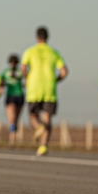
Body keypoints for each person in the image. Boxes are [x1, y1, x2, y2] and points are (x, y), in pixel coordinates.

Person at [21, 27, 67, 156]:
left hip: (34, 87)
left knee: (33, 116)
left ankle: (38, 127)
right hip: (49, 88)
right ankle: (43, 146)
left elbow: (23, 68)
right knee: (47, 118)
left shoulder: (29, 51)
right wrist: (56, 80)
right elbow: (64, 72)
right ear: (47, 37)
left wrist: (27, 78)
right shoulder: (54, 52)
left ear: (37, 37)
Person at [1, 54, 25, 143]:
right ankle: (11, 138)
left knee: (16, 119)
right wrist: (1, 87)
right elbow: (1, 82)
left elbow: (27, 79)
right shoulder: (6, 72)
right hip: (10, 96)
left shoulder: (21, 71)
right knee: (12, 118)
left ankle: (13, 135)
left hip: (19, 95)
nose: (13, 64)